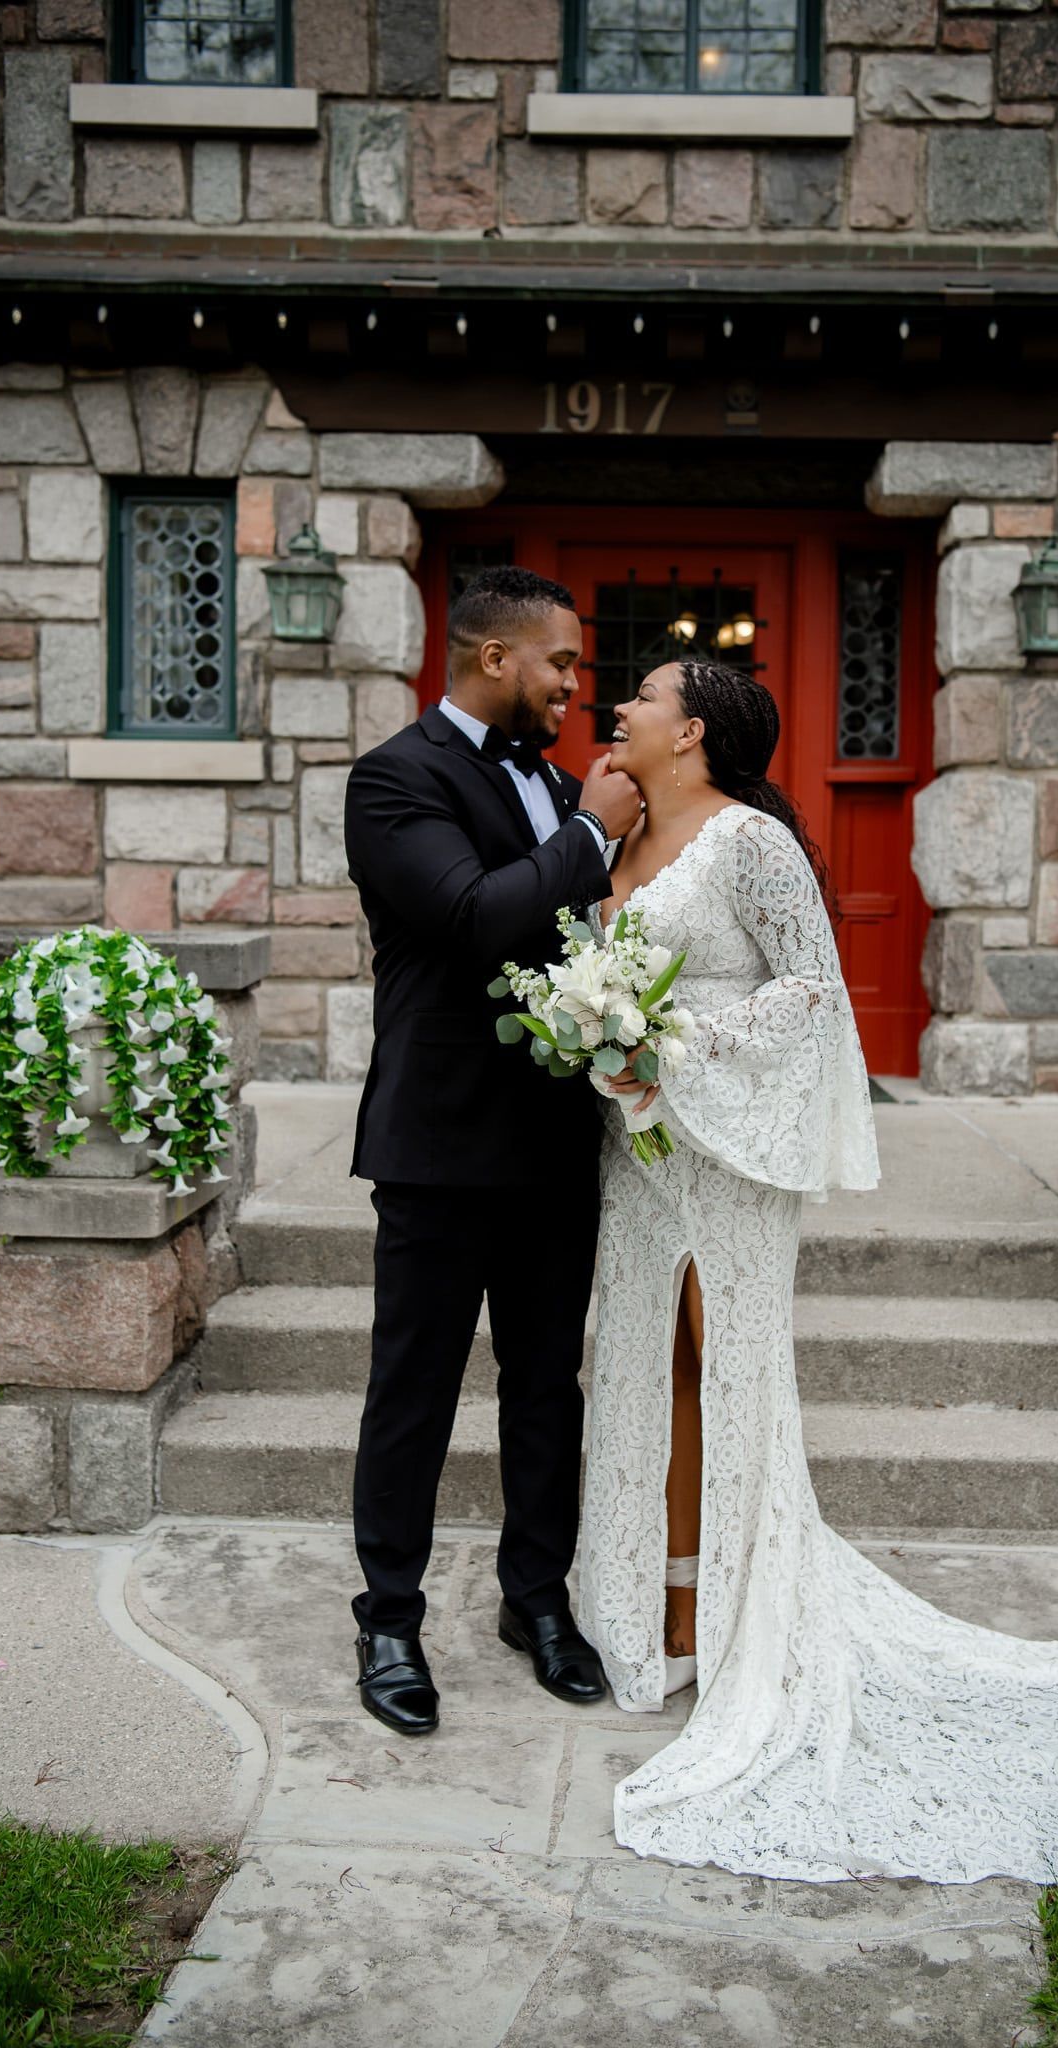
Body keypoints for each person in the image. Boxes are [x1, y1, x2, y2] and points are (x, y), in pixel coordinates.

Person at [578, 657, 1058, 1885]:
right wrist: (610, 1040)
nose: (614, 709)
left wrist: (674, 1040)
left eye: (637, 698)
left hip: (726, 1148)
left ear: (690, 731)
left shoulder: (750, 843)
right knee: (644, 1367)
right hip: (636, 1156)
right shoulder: (624, 835)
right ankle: (656, 1610)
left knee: (728, 1369)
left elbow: (810, 986)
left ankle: (736, 1622)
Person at [343, 566, 641, 1737]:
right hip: (436, 1139)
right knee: (410, 1391)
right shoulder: (393, 779)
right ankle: (387, 1618)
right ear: (492, 658)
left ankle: (537, 1601)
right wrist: (588, 833)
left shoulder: (561, 783)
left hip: (553, 1146)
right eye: (560, 662)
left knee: (542, 1386)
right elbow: (471, 914)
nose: (574, 683)